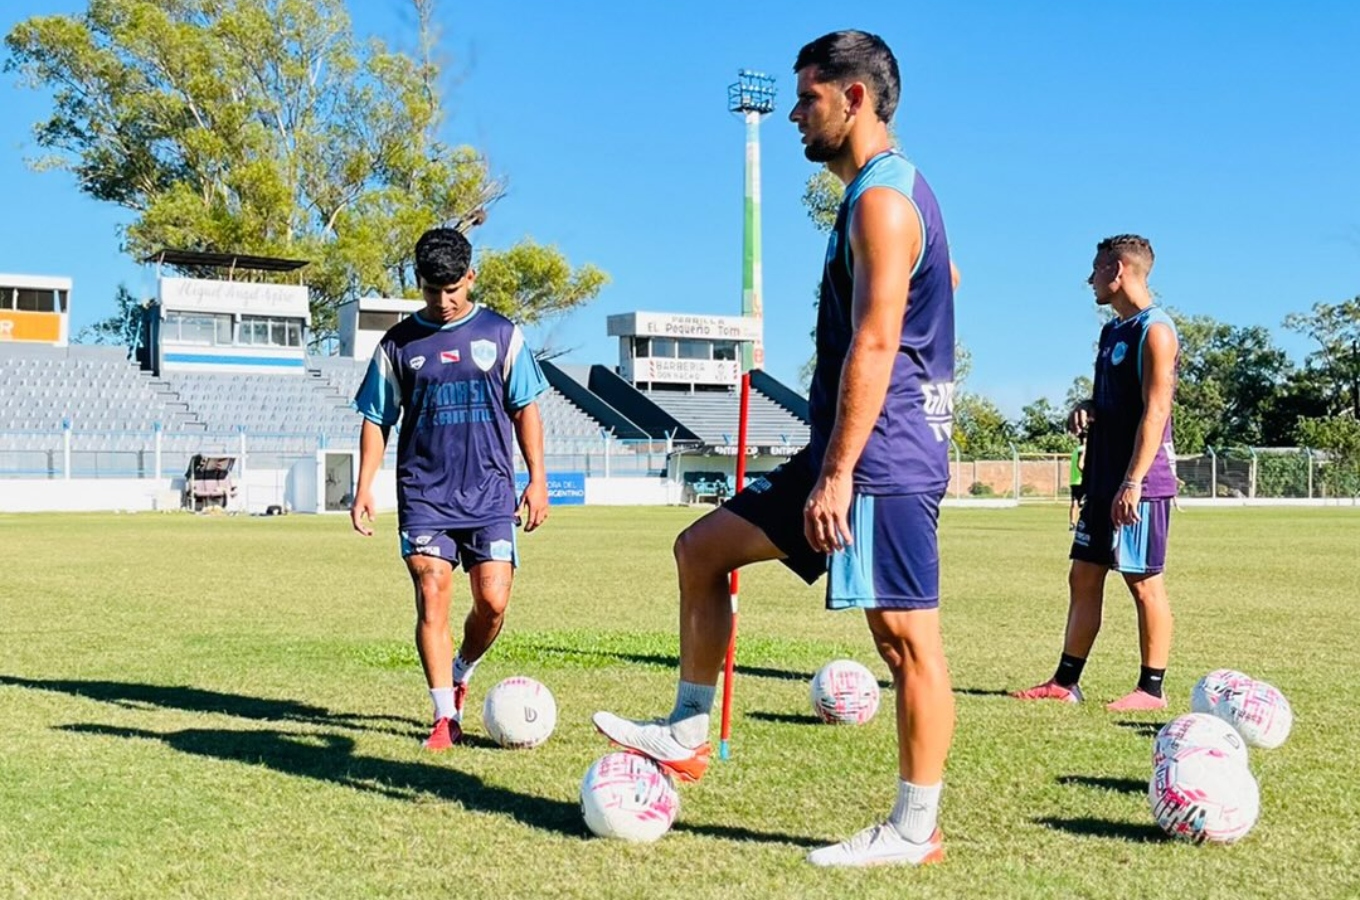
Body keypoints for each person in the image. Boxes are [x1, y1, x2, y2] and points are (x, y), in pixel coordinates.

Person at [593, 30, 957, 868]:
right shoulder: (881, 197)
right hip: (844, 449)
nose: (796, 114)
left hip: (880, 458)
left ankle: (914, 830)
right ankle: (688, 730)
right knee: (701, 549)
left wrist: (838, 474)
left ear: (854, 98)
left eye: (808, 98)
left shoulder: (883, 202)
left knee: (906, 642)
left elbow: (876, 343)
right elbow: (940, 283)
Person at [350, 226, 549, 749]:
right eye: (431, 290)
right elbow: (376, 418)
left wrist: (538, 479)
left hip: (490, 492)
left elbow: (525, 409)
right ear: (419, 282)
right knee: (431, 594)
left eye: (452, 289)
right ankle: (444, 717)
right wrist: (364, 486)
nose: (442, 301)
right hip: (425, 496)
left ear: (471, 277)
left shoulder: (503, 335)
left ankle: (462, 668)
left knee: (493, 601)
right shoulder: (397, 345)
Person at [1013, 234, 1179, 712]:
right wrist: (1087, 406)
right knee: (1084, 575)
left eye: (1096, 269)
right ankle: (1065, 683)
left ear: (1119, 270)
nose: (1090, 279)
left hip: (1139, 482)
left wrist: (1133, 482)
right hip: (1104, 478)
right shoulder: (1113, 333)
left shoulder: (1156, 331)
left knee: (1143, 582)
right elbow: (1117, 399)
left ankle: (1151, 690)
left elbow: (1156, 411)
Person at [1068, 434, 1087, 530]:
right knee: (1086, 503)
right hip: (1082, 481)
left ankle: (1072, 523)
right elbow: (1080, 464)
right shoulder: (1084, 449)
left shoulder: (1075, 450)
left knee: (1075, 502)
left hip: (1074, 480)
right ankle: (1084, 523)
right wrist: (1087, 474)